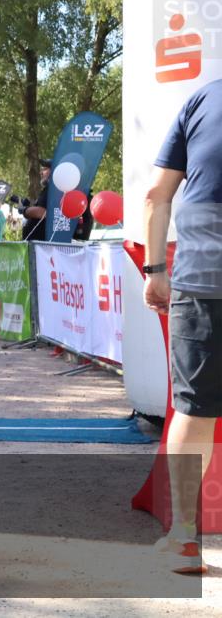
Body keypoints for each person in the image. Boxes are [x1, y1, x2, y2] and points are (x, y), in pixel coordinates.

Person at [143, 79, 221, 576]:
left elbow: (156, 195)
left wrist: (154, 271)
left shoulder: (202, 99)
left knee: (195, 409)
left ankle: (184, 539)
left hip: (205, 278)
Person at [21, 159, 53, 240]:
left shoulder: (53, 190)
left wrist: (25, 210)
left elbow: (42, 212)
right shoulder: (48, 189)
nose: (41, 173)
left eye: (45, 169)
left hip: (41, 245)